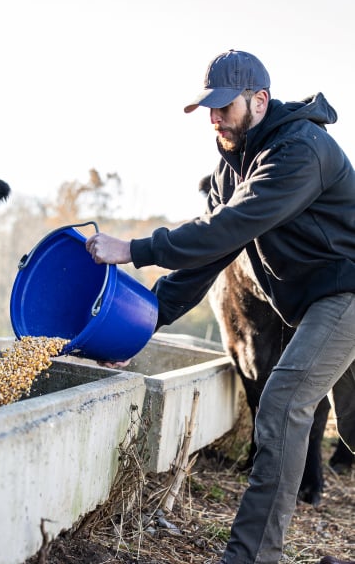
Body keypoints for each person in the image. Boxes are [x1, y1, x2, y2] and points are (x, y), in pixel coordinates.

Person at [85, 49, 355, 564]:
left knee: (282, 402)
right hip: (321, 303)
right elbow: (205, 259)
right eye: (207, 109)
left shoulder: (300, 150)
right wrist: (141, 327)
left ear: (259, 100)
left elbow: (229, 227)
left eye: (224, 107)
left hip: (346, 291)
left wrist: (135, 250)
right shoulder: (232, 168)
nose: (214, 118)